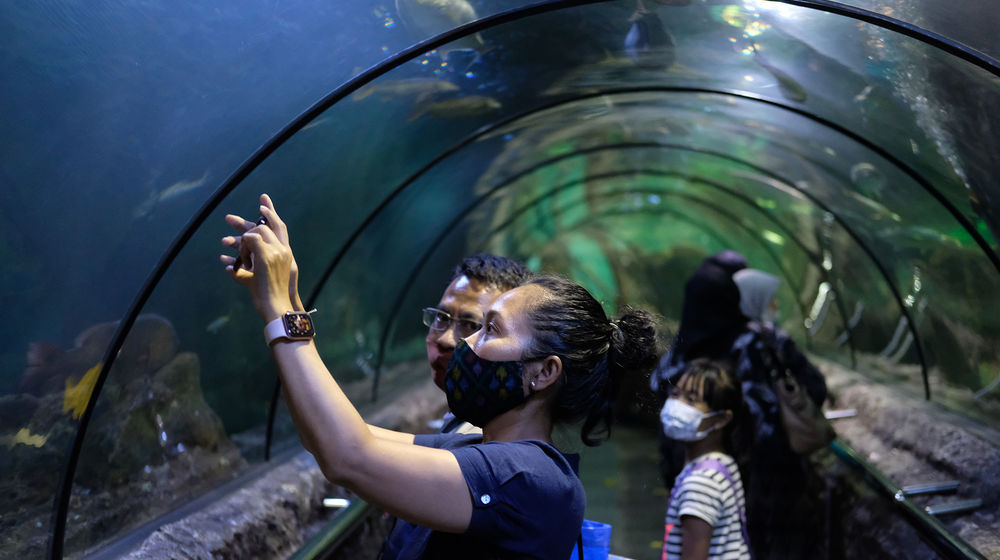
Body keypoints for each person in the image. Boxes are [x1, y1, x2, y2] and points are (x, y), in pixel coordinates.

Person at [221, 194, 659, 559]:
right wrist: (287, 297)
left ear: (544, 372)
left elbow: (348, 456)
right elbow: (328, 437)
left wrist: (281, 313)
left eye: (488, 329)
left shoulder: (530, 480)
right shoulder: (475, 444)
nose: (462, 343)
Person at [651, 254, 828, 559]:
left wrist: (672, 480)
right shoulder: (762, 342)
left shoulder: (682, 353)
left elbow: (668, 426)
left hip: (709, 482)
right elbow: (815, 389)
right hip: (774, 490)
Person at [422, 254, 532, 434]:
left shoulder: (484, 436)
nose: (444, 340)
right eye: (441, 317)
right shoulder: (462, 418)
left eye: (472, 326)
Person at [660, 359, 750, 560]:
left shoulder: (700, 483)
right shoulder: (722, 463)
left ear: (721, 419)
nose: (677, 405)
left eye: (691, 400)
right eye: (675, 394)